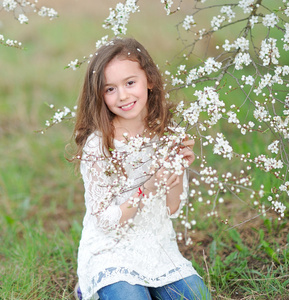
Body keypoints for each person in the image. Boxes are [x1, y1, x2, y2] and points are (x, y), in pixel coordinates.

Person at [71, 37, 211, 300]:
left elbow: (172, 208)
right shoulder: (99, 145)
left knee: (197, 297)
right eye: (110, 89)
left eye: (130, 83)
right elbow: (104, 220)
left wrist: (177, 169)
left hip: (156, 246)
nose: (123, 95)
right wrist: (147, 188)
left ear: (149, 80)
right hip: (111, 250)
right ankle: (93, 287)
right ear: (99, 95)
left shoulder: (166, 135)